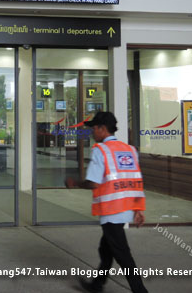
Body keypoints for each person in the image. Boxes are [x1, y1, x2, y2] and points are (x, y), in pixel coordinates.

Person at [65, 111, 147, 293]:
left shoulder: (101, 151)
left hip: (111, 210)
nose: (93, 132)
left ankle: (140, 291)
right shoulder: (130, 150)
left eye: (94, 128)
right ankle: (96, 285)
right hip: (125, 208)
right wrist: (138, 209)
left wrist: (75, 183)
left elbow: (93, 182)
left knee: (122, 254)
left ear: (102, 129)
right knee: (106, 249)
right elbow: (136, 181)